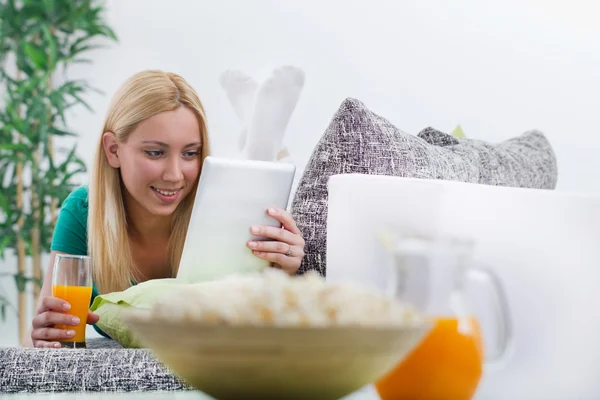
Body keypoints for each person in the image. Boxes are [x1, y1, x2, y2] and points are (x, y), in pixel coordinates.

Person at [22, 70, 306, 348]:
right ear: (113, 150)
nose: (174, 175)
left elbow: (258, 318)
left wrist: (285, 273)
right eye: (155, 152)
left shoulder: (221, 206)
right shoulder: (84, 212)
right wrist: (41, 340)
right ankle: (262, 141)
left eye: (190, 153)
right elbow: (42, 337)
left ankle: (266, 146)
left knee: (276, 176)